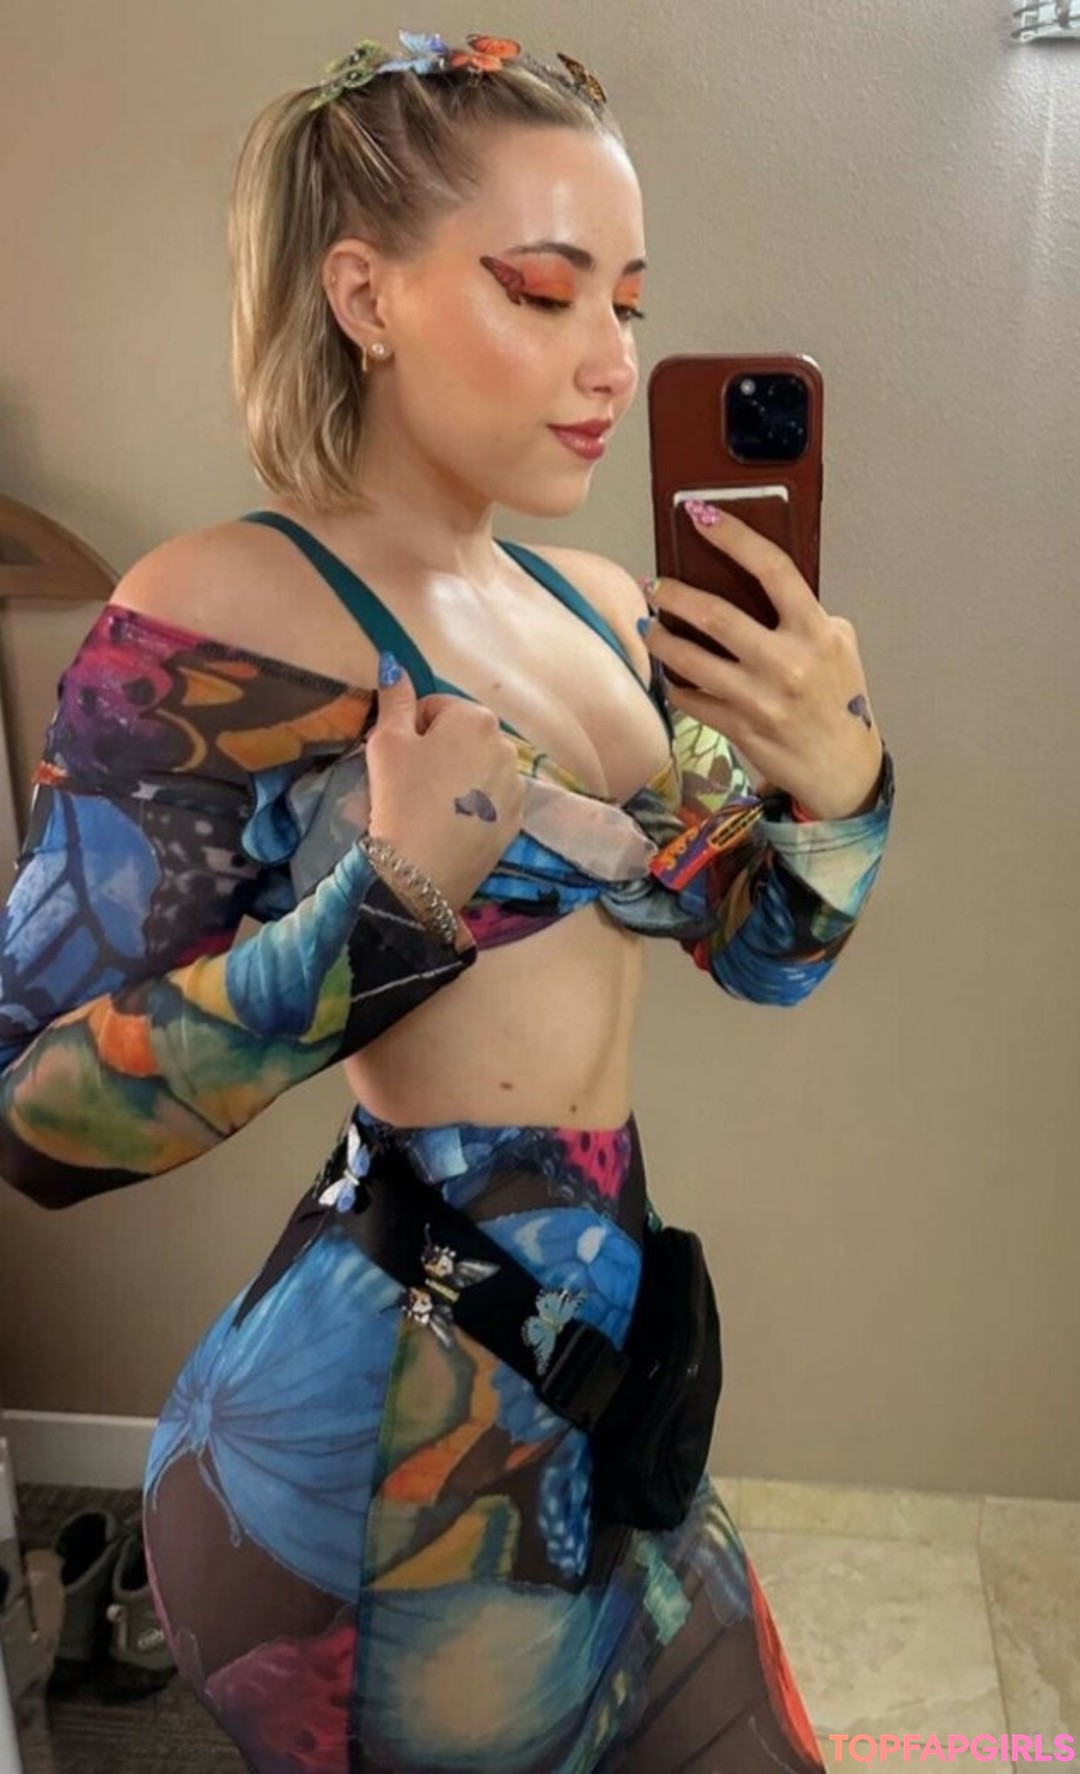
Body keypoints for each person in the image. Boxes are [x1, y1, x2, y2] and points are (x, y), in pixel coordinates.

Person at [0, 30, 894, 1774]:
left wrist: (839, 785)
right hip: (380, 1453)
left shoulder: (604, 607)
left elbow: (763, 953)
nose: (610, 359)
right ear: (366, 295)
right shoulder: (217, 606)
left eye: (628, 303)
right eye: (544, 292)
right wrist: (397, 897)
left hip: (609, 1395)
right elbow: (37, 1114)